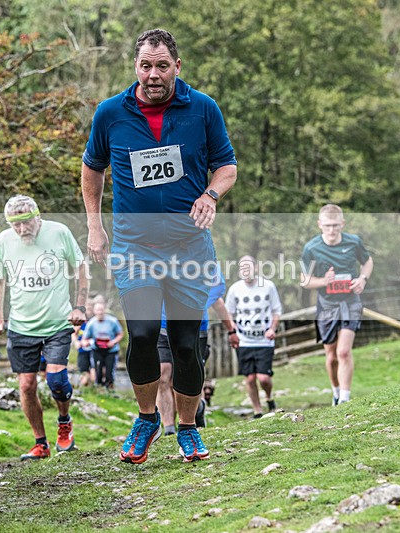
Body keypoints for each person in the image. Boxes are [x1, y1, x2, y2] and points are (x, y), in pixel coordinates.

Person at [82, 29, 237, 463]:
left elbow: (226, 165)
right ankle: (148, 417)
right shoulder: (110, 112)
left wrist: (210, 195)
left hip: (189, 247)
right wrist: (95, 225)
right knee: (145, 334)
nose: (153, 75)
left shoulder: (202, 108)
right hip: (135, 247)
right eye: (145, 66)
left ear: (177, 67)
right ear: (136, 67)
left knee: (186, 344)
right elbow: (92, 169)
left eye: (162, 66)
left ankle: (187, 427)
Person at [0, 194, 88, 460]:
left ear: (37, 217)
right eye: (15, 225)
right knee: (27, 386)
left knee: (56, 379)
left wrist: (80, 307)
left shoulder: (59, 232)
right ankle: (40, 443)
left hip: (57, 323)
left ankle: (64, 423)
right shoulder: (3, 240)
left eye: (25, 223)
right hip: (21, 326)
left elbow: (81, 267)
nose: (21, 230)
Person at [301, 204, 373, 406]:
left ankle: (345, 399)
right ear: (319, 225)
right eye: (327, 226)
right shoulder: (311, 248)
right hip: (327, 305)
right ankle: (335, 391)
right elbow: (304, 281)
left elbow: (367, 262)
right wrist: (324, 281)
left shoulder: (353, 242)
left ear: (342, 224)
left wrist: (362, 279)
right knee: (331, 356)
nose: (331, 231)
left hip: (350, 301)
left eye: (335, 226)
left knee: (343, 351)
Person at [156, 265, 238, 435]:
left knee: (186, 377)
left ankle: (195, 411)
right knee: (163, 376)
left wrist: (231, 330)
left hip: (195, 328)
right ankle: (169, 429)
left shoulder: (206, 260)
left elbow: (217, 300)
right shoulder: (162, 255)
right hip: (162, 328)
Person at [225, 256, 282, 419]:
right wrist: (232, 328)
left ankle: (269, 398)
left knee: (263, 378)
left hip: (264, 339)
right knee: (250, 378)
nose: (246, 270)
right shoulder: (235, 289)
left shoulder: (268, 286)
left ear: (256, 268)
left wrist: (273, 328)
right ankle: (257, 411)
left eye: (248, 267)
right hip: (244, 340)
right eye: (242, 267)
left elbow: (276, 310)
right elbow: (228, 311)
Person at [82, 302, 124, 389]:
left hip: (111, 350)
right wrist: (87, 342)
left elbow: (120, 334)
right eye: (98, 310)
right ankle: (99, 390)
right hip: (97, 350)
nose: (100, 312)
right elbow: (84, 339)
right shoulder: (91, 323)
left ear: (104, 310)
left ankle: (110, 391)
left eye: (101, 310)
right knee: (98, 372)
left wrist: (113, 342)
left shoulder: (112, 321)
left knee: (109, 373)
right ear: (94, 311)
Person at [72, 299, 96, 386]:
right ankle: (86, 392)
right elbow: (74, 333)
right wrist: (76, 342)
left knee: (94, 375)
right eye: (87, 306)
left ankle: (95, 391)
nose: (89, 307)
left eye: (91, 305)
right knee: (84, 375)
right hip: (82, 350)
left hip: (95, 350)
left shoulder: (96, 319)